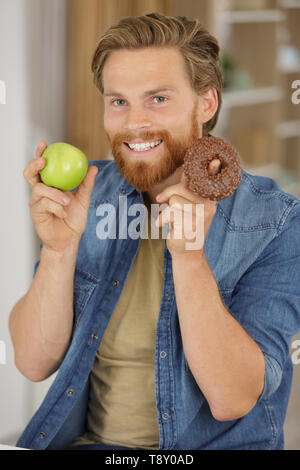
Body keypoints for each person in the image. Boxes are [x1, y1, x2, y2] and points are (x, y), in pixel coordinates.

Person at [9, 12, 300, 451]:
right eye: (119, 101)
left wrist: (188, 258)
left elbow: (233, 398)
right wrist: (58, 250)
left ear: (206, 103)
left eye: (158, 99)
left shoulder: (275, 221)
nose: (135, 123)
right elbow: (32, 362)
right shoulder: (89, 196)